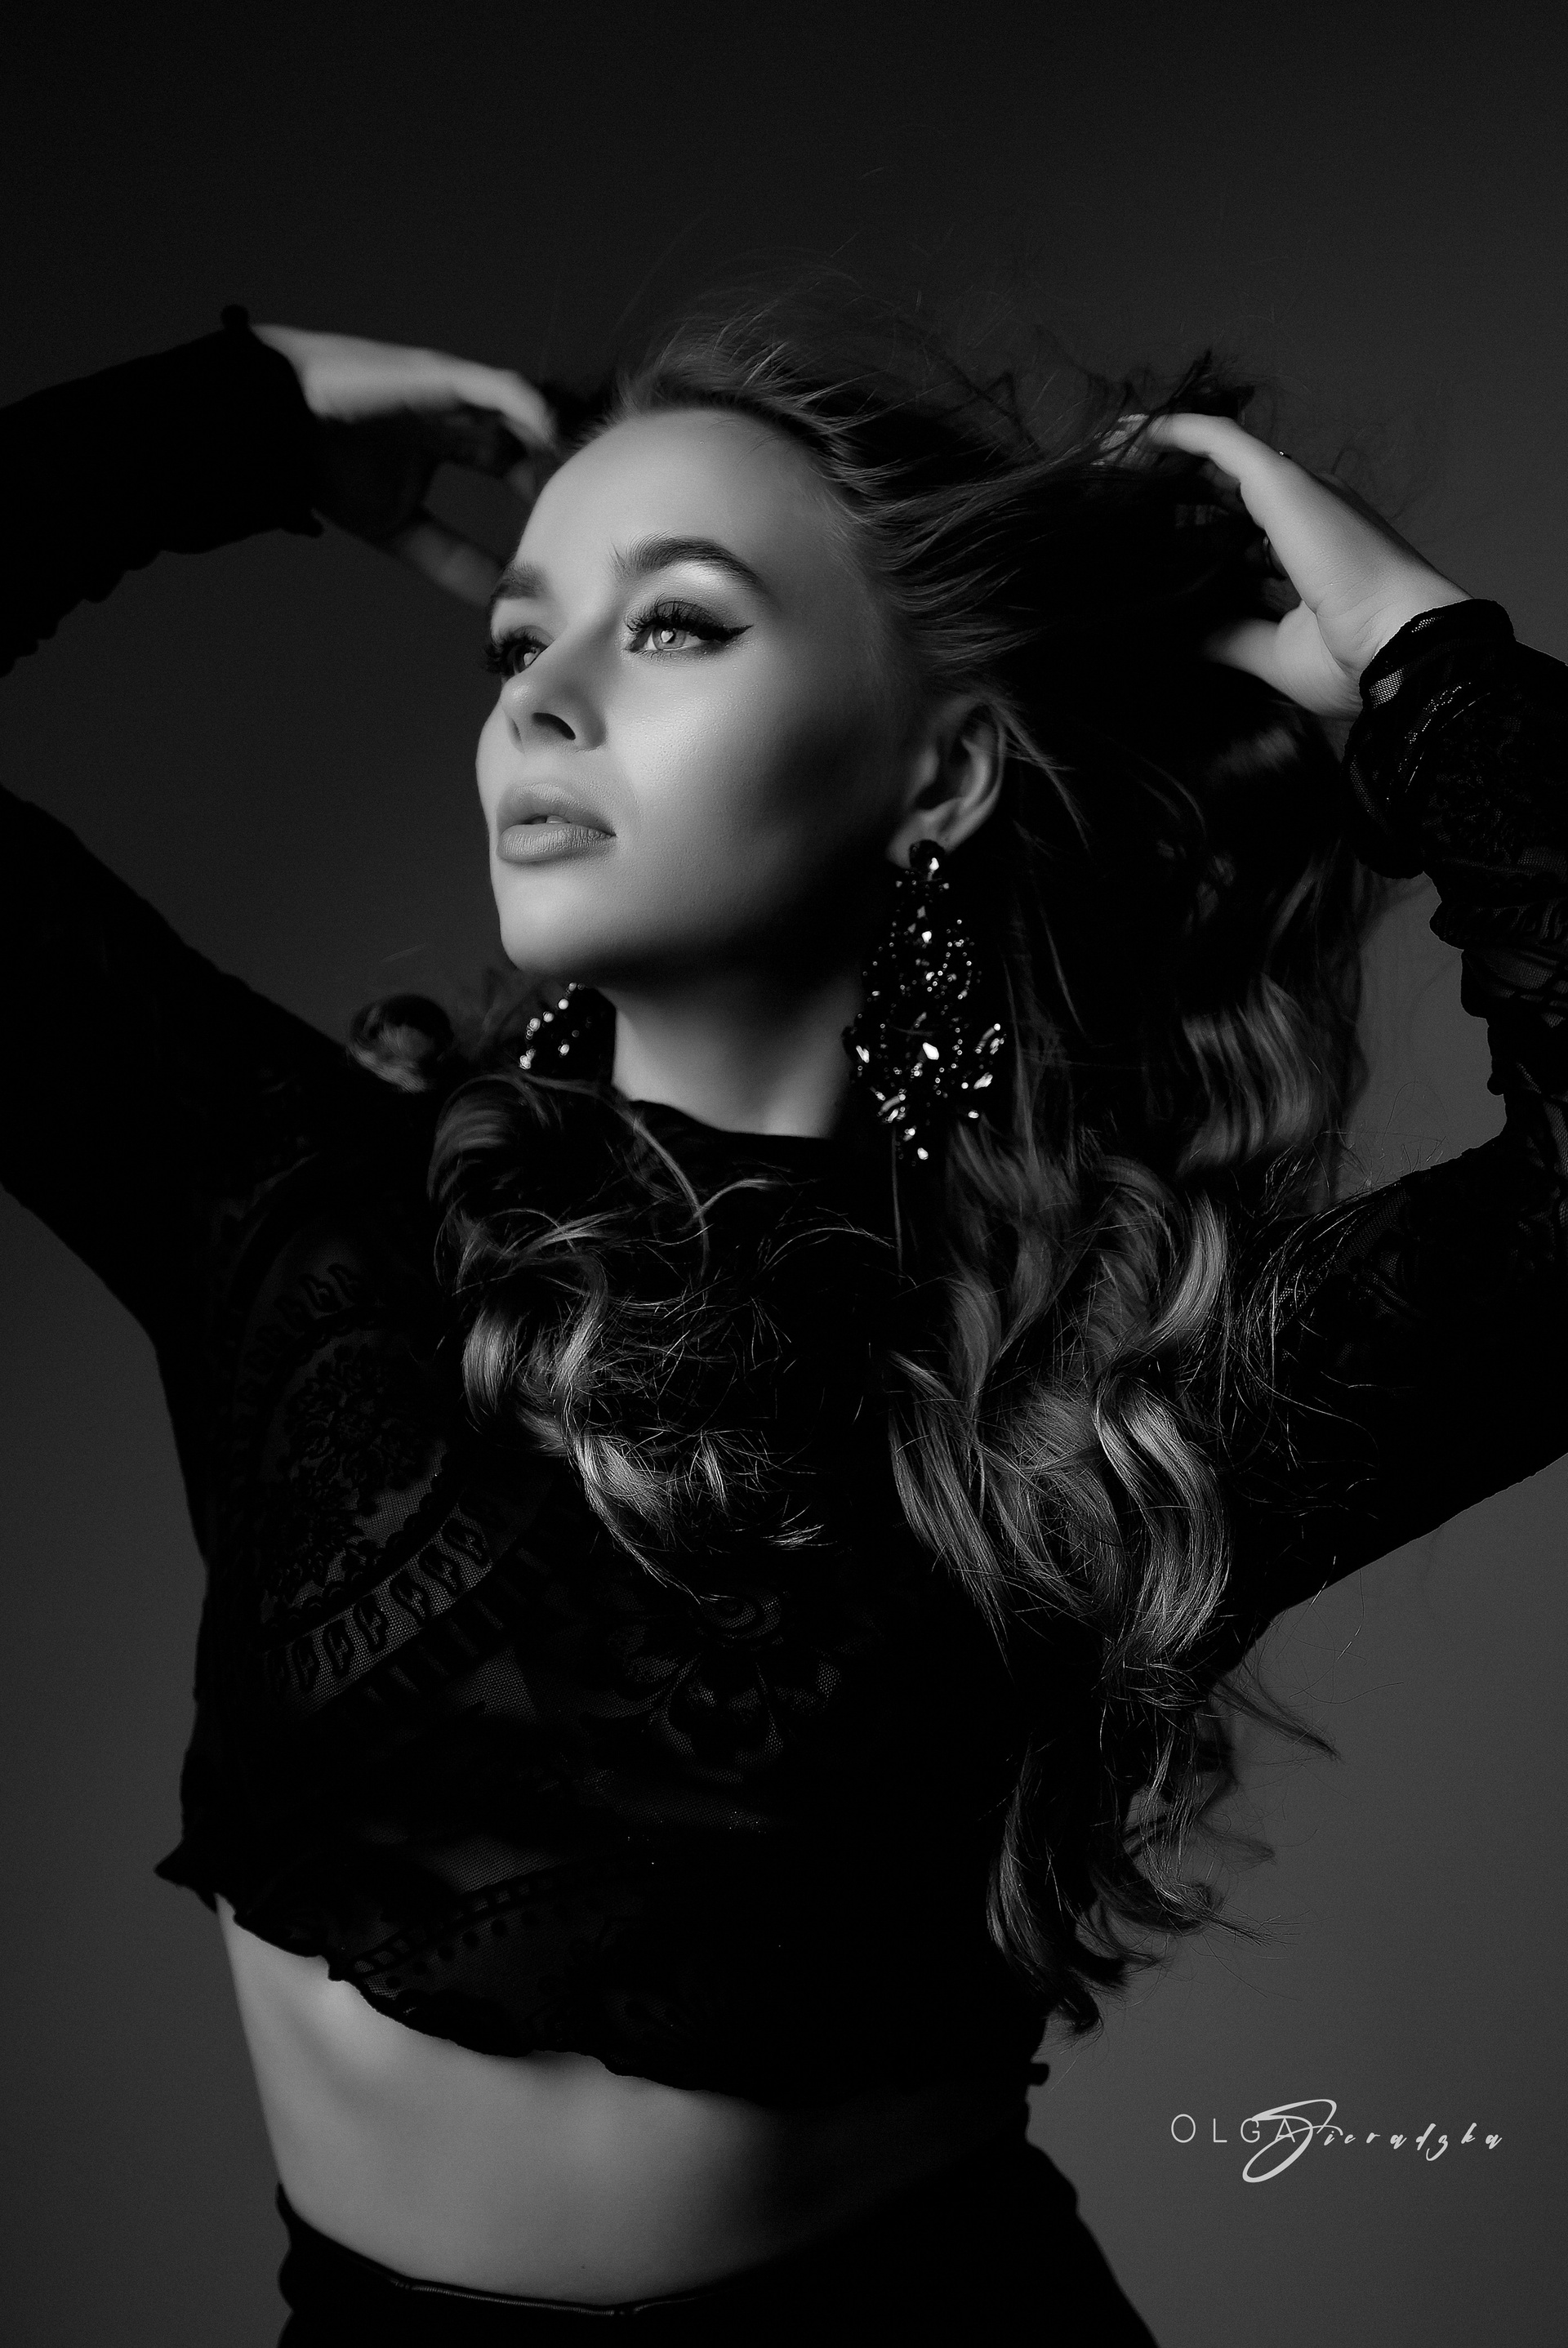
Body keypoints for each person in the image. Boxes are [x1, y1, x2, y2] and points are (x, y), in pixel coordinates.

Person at [1, 286, 1562, 2345]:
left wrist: (1427, 661)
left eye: (672, 623)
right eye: (517, 641)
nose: (543, 703)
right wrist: (233, 421)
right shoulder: (303, 1216)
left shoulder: (1106, 1379)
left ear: (944, 771)